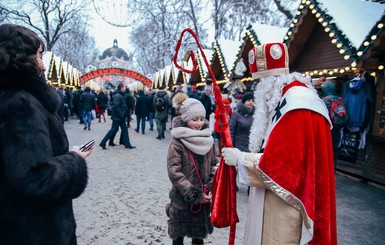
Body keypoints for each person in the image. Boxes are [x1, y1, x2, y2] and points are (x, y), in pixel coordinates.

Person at [222, 42, 337, 244]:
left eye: (260, 83)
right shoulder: (286, 97)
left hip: (287, 203)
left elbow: (284, 165)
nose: (258, 91)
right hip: (276, 197)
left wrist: (240, 158)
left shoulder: (298, 104)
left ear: (271, 81)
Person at [0, 24, 91, 244]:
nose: (42, 65)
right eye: (39, 55)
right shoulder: (20, 104)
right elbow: (36, 178)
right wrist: (74, 160)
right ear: (22, 58)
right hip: (34, 230)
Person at [166, 97, 217, 245]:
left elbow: (215, 164)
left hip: (203, 198)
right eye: (195, 119)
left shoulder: (208, 138)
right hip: (182, 198)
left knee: (198, 237)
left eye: (201, 119)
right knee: (178, 236)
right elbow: (174, 172)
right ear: (186, 119)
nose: (199, 123)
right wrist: (193, 193)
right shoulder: (177, 141)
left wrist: (210, 187)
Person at [99, 83, 135, 149]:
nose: (125, 88)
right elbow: (116, 106)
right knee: (115, 130)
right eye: (124, 86)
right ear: (121, 87)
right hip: (119, 117)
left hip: (118, 116)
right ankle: (103, 142)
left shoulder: (119, 95)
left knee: (122, 130)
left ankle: (127, 144)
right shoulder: (118, 95)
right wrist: (122, 114)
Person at [321, 80, 345, 169]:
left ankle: (325, 171)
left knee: (324, 152)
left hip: (326, 130)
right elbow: (346, 117)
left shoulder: (322, 101)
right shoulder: (340, 101)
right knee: (334, 152)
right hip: (337, 130)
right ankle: (333, 170)